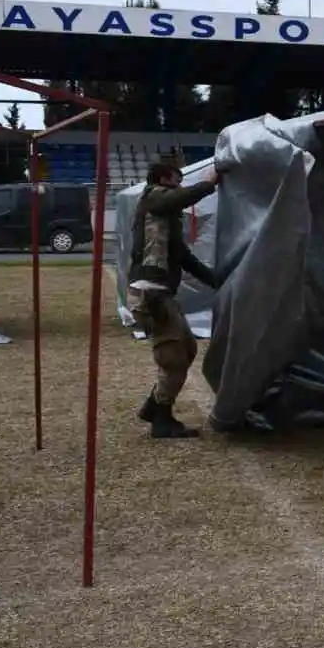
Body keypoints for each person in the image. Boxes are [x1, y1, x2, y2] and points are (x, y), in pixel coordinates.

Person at [128, 160, 222, 439]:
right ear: (163, 179)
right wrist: (209, 182)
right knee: (173, 358)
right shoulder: (154, 196)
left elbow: (183, 258)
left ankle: (154, 406)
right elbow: (181, 197)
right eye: (176, 180)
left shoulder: (165, 216)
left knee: (188, 348)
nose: (179, 186)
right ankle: (161, 419)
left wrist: (218, 281)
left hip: (159, 292)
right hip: (150, 292)